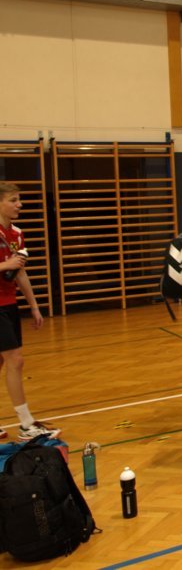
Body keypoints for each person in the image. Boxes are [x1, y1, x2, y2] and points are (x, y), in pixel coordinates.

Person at [0, 182, 60, 442]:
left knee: (3, 361)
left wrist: (34, 306)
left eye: (19, 199)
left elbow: (20, 272)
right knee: (16, 360)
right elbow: (10, 265)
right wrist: (5, 265)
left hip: (9, 304)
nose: (19, 205)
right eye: (13, 200)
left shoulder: (16, 233)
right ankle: (26, 424)